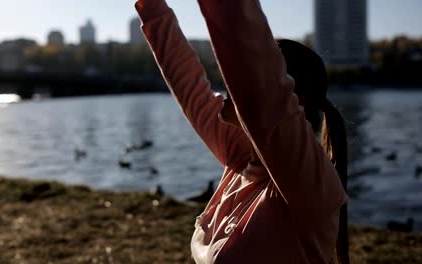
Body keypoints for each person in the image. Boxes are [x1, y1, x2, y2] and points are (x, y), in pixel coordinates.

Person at [135, 0, 349, 263]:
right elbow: (185, 78)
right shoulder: (241, 158)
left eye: (237, 78)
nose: (228, 81)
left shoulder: (308, 183)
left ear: (292, 103)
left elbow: (240, 35)